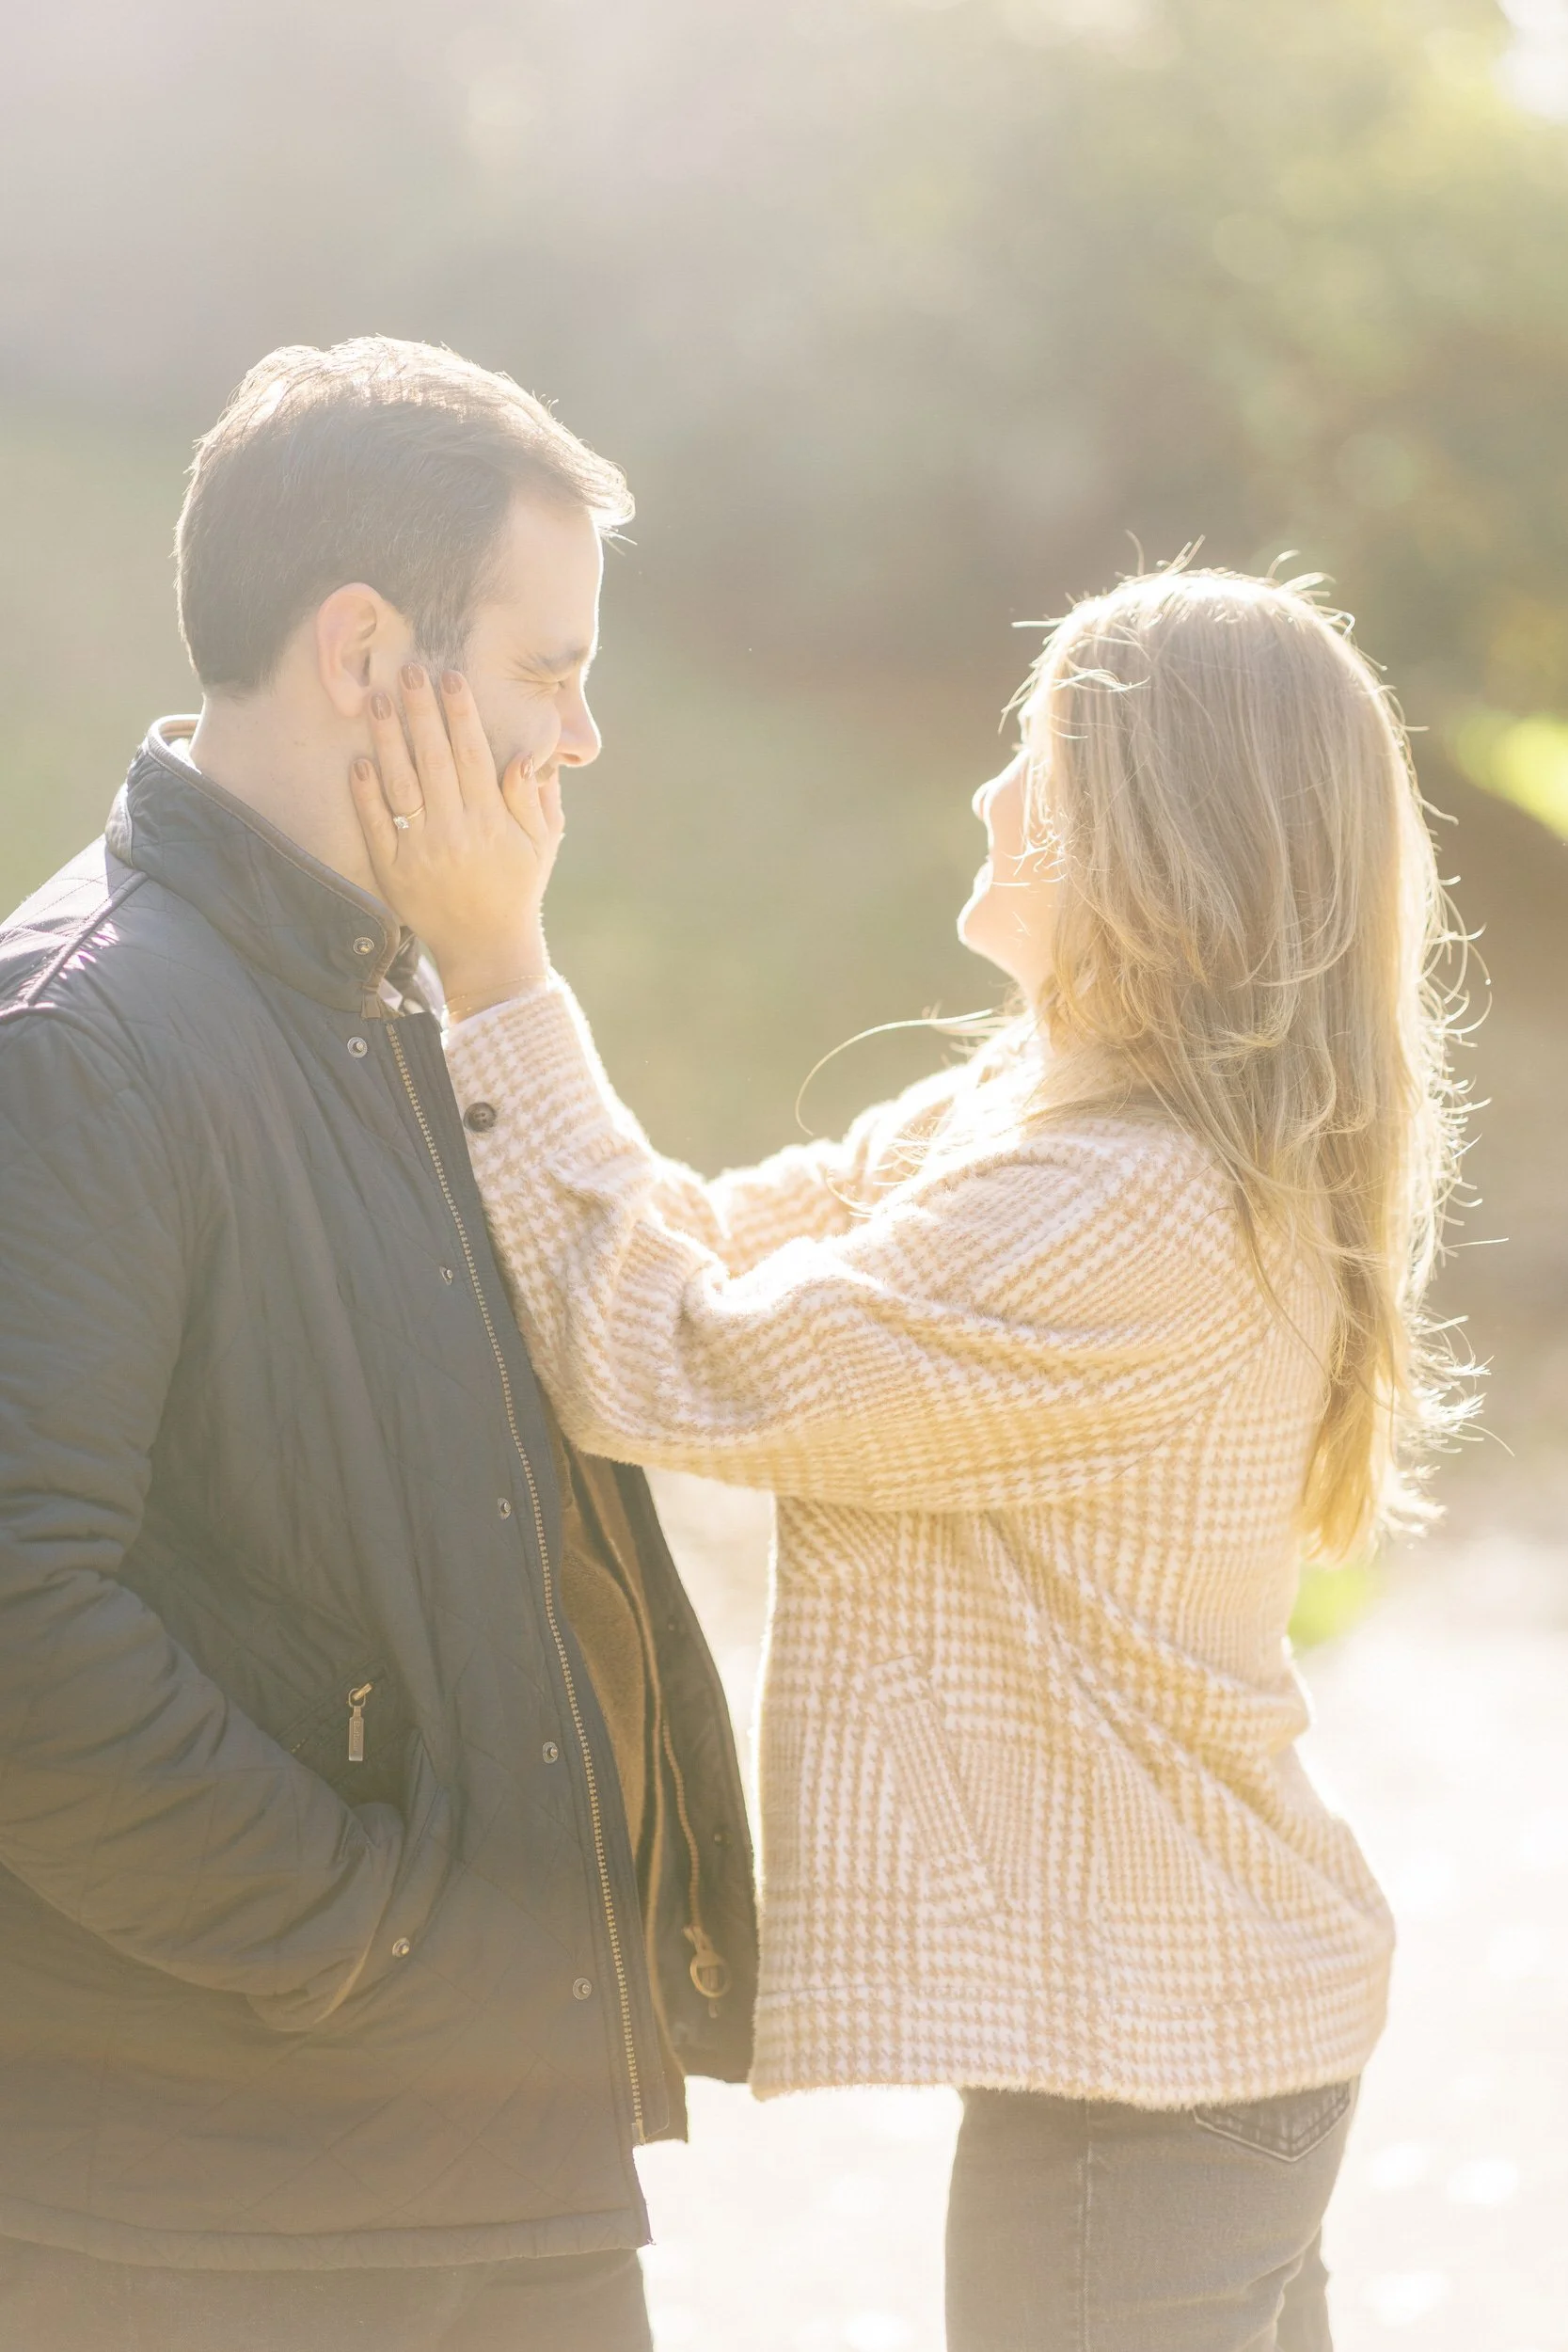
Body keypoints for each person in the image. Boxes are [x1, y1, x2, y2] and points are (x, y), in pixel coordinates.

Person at [353, 566, 1469, 2352]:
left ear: (1146, 835)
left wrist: (498, 970)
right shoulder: (1031, 1111)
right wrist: (467, 984)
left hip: (1157, 2085)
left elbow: (672, 1356)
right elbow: (700, 1247)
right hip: (1207, 2030)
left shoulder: (1118, 1208)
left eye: (1032, 759)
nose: (985, 795)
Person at [0, 335, 755, 2352]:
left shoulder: (403, 996)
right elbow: (15, 1619)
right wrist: (378, 1941)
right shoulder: (81, 1041)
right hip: (230, 2232)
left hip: (487, 2181)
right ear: (363, 655)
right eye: (546, 666)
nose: (581, 733)